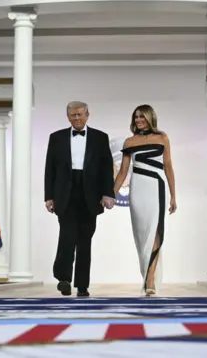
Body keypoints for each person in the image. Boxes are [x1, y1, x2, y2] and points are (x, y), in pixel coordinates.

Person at [45, 101, 115, 297]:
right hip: (64, 193)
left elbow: (106, 168)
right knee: (67, 236)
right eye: (73, 115)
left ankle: (82, 285)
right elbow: (50, 169)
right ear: (68, 117)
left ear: (88, 115)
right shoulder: (56, 137)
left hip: (90, 194)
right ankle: (64, 278)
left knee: (85, 240)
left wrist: (108, 193)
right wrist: (49, 196)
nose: (76, 118)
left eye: (80, 114)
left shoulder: (100, 138)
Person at [114, 104, 177, 296]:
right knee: (142, 236)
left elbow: (168, 167)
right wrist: (111, 194)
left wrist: (174, 196)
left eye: (142, 117)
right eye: (136, 117)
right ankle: (147, 274)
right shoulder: (129, 142)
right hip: (137, 190)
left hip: (156, 188)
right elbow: (123, 172)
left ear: (150, 118)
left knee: (155, 232)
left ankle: (150, 281)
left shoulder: (162, 138)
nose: (139, 120)